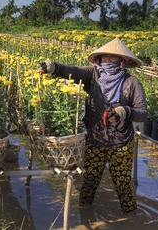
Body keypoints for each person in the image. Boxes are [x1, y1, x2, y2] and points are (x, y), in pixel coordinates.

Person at [37, 37, 148, 214]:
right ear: (99, 59)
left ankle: (131, 218)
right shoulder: (93, 75)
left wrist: (124, 112)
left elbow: (142, 113)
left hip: (121, 143)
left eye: (113, 58)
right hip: (95, 140)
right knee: (90, 180)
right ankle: (84, 213)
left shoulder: (131, 82)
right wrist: (54, 67)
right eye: (105, 57)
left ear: (123, 61)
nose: (108, 61)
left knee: (123, 184)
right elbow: (73, 71)